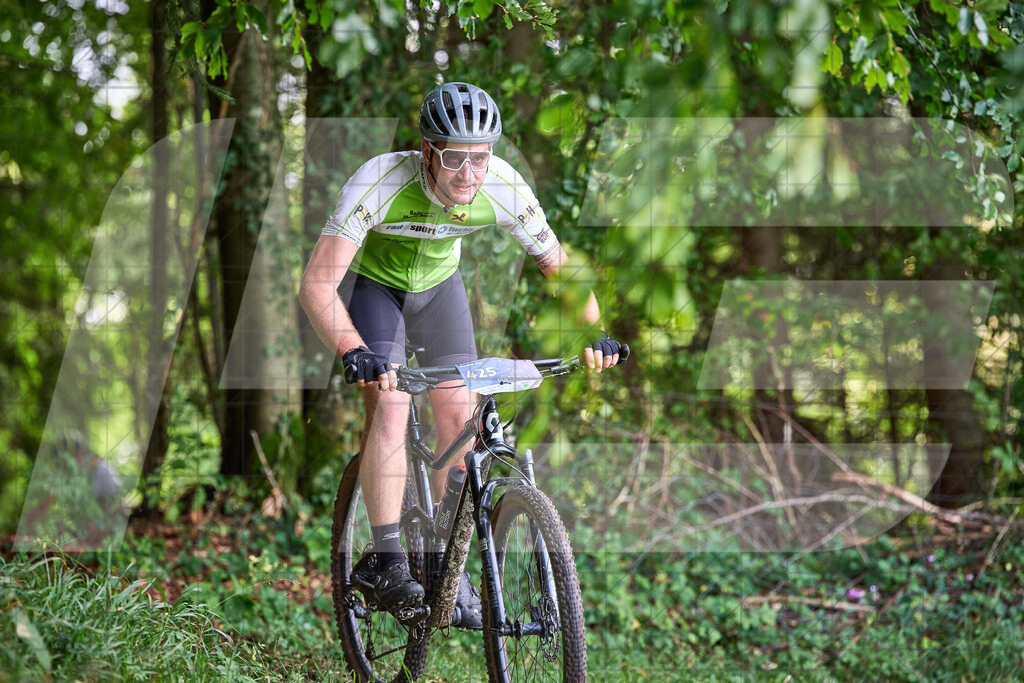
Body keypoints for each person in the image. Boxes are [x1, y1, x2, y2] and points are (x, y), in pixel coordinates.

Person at [299, 82, 623, 627]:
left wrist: (596, 334)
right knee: (393, 401)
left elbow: (560, 270)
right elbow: (315, 285)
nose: (469, 174)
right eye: (454, 159)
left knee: (459, 414)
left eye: (480, 159)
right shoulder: (379, 181)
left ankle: (446, 563)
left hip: (439, 291)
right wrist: (354, 349)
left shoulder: (502, 187)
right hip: (377, 291)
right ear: (426, 150)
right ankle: (386, 556)